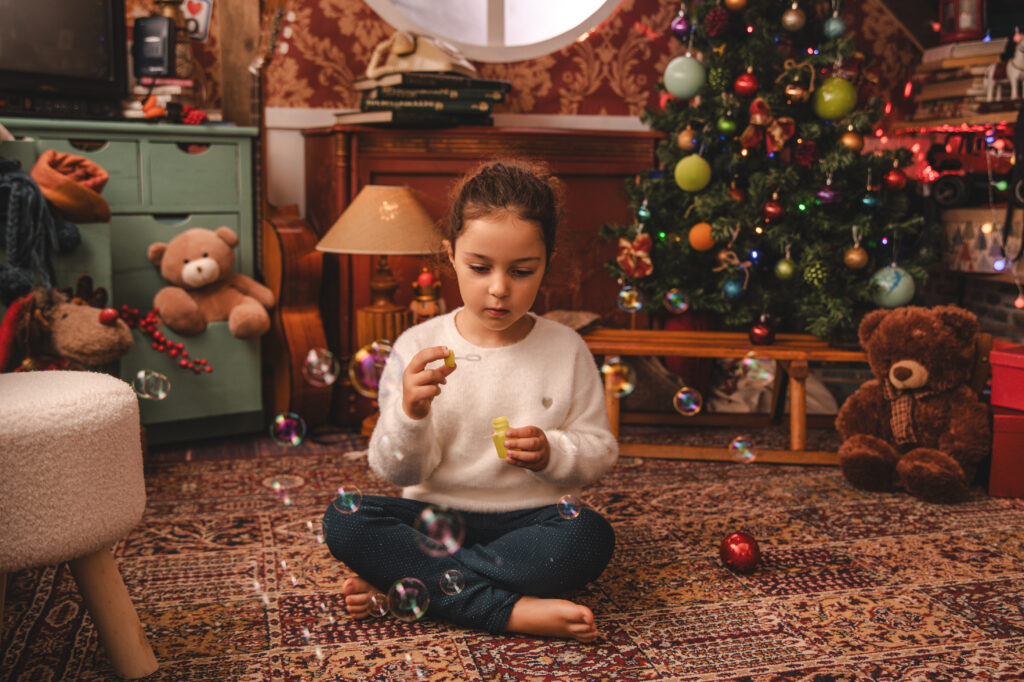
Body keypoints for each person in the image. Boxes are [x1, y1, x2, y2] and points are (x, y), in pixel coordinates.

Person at [322, 159, 618, 642]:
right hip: (433, 520)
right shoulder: (417, 345)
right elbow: (396, 472)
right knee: (346, 519)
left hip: (533, 522)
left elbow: (600, 450)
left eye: (522, 271)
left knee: (589, 535)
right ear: (451, 255)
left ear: (549, 259)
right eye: (480, 267)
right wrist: (410, 415)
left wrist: (554, 451)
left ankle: (404, 588)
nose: (499, 288)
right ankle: (510, 610)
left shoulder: (567, 348)